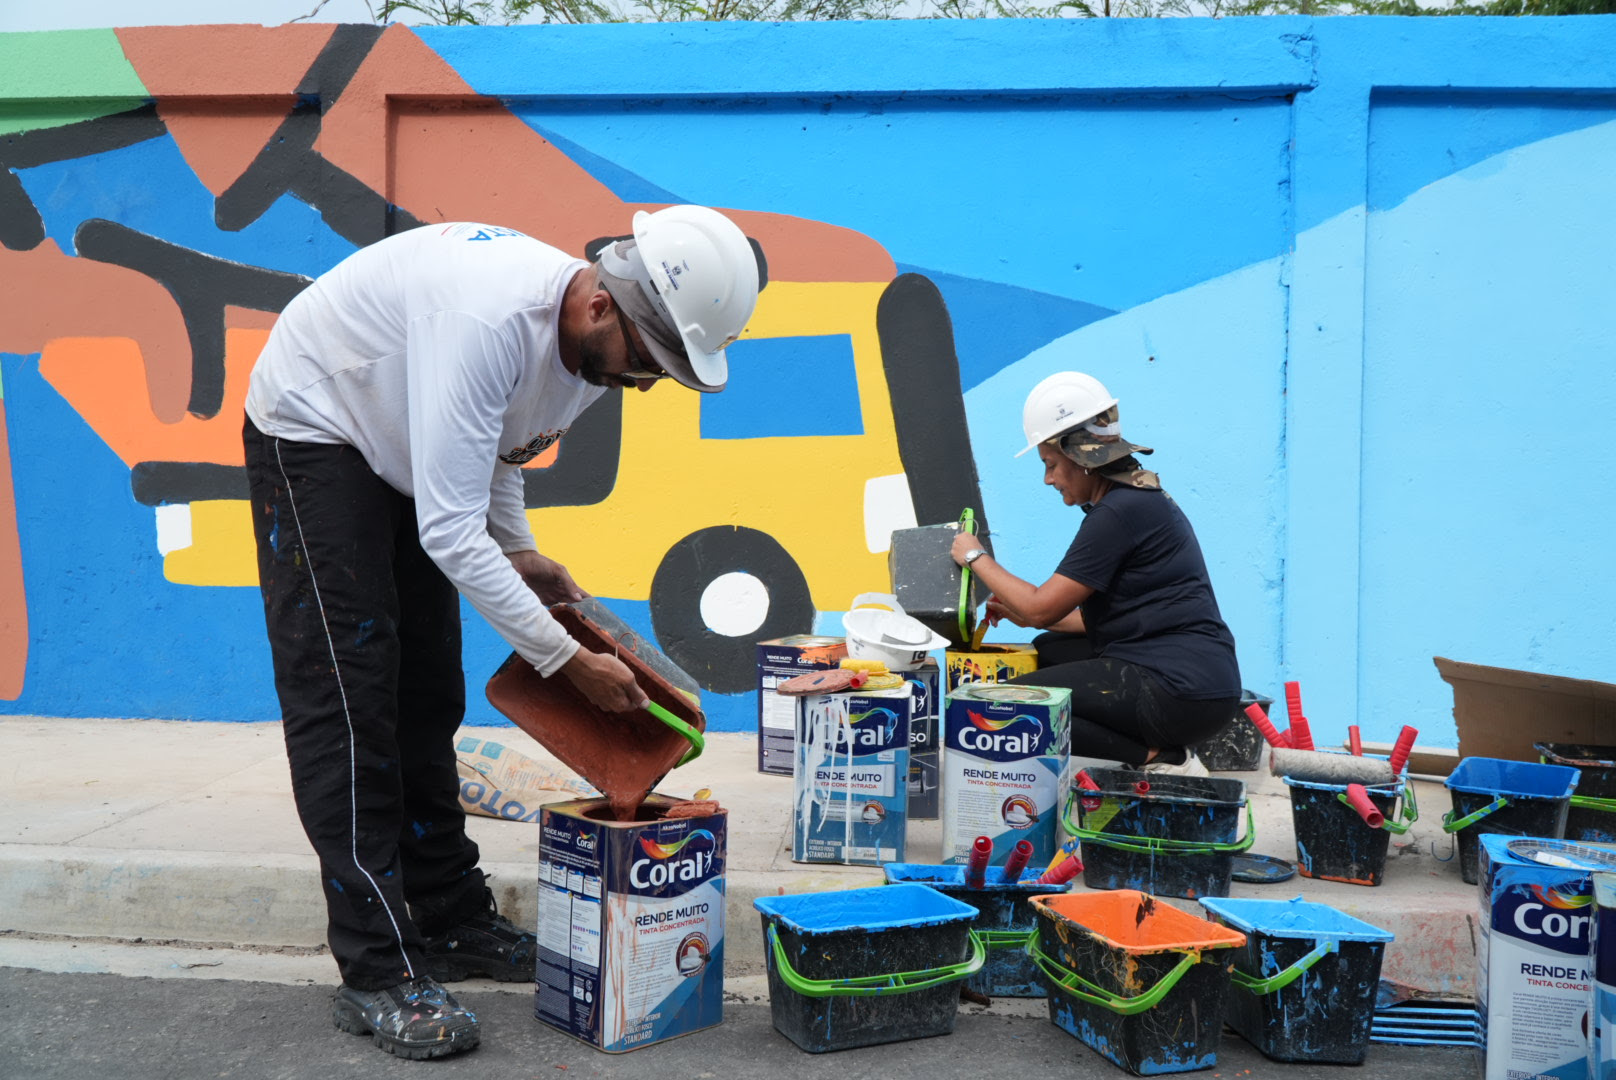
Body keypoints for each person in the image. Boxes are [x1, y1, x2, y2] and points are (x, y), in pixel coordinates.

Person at [241, 207, 760, 1060]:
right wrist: (567, 662)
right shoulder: (486, 320)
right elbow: (450, 533)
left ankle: (448, 917)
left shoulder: (591, 353)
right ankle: (376, 968)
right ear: (603, 308)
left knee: (428, 691)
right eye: (649, 361)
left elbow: (501, 450)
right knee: (349, 696)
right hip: (320, 424)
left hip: (403, 443)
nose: (648, 382)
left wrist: (520, 552)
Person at [949, 371, 1240, 773]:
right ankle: (1149, 747)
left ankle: (1158, 758)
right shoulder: (1136, 501)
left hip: (1177, 691)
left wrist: (975, 555)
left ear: (1081, 458)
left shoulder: (1120, 512)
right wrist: (1019, 611)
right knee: (1050, 648)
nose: (1048, 479)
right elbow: (1090, 619)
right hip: (1199, 682)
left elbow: (1041, 607)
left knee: (1004, 705)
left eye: (1051, 464)